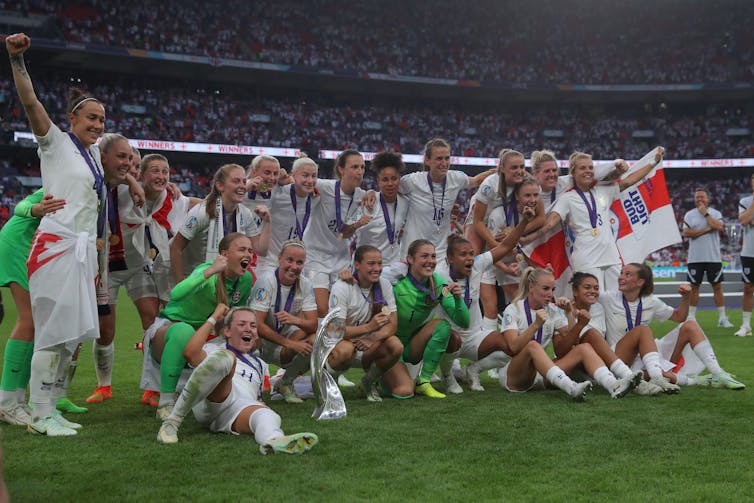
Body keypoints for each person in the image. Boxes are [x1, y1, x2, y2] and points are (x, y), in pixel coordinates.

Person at [6, 33, 142, 436]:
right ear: (73, 121)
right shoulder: (57, 144)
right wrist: (17, 62)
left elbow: (96, 197)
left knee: (68, 337)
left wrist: (131, 180)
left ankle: (47, 405)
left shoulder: (95, 161)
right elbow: (31, 103)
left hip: (81, 253)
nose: (98, 126)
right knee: (51, 333)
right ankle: (40, 412)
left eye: (101, 121)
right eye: (91, 119)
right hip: (56, 248)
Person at [88, 152, 192, 406]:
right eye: (154, 171)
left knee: (152, 322)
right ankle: (104, 386)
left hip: (139, 267)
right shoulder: (121, 191)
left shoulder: (172, 197)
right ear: (141, 174)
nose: (161, 176)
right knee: (105, 331)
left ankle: (153, 388)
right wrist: (131, 182)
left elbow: (198, 204)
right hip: (108, 266)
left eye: (165, 172)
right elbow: (108, 177)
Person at [156, 305, 318, 454]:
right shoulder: (213, 349)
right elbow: (190, 353)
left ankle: (274, 441)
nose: (249, 329)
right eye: (241, 324)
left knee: (267, 415)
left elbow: (256, 393)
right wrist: (214, 317)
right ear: (227, 331)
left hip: (236, 410)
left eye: (253, 326)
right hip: (214, 400)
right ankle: (172, 423)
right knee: (226, 358)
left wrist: (259, 401)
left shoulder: (259, 364)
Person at [144, 233, 255, 419]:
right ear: (225, 254)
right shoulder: (208, 271)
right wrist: (210, 271)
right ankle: (165, 404)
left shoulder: (245, 280)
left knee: (244, 334)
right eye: (242, 249)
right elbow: (176, 294)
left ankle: (238, 394)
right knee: (184, 331)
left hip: (204, 334)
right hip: (170, 330)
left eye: (250, 250)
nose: (248, 254)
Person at [530, 148, 664, 292]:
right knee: (592, 304)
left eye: (590, 167)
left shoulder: (604, 190)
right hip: (586, 260)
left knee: (617, 302)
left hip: (612, 257)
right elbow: (550, 223)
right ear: (573, 173)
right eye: (582, 168)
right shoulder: (567, 198)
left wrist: (652, 162)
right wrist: (527, 238)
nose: (588, 171)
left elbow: (629, 181)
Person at [497, 267, 640, 399]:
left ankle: (614, 385)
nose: (550, 294)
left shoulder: (553, 311)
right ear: (531, 287)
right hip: (515, 376)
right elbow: (513, 347)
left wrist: (569, 315)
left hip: (542, 373)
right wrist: (535, 325)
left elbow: (564, 349)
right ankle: (571, 387)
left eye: (553, 289)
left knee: (584, 348)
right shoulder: (513, 309)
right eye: (546, 289)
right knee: (532, 346)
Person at [599, 263, 744, 390]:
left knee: (690, 325)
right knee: (642, 331)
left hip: (647, 356)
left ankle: (718, 373)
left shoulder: (651, 301)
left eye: (627, 274)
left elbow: (679, 317)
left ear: (640, 282)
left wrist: (686, 297)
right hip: (619, 357)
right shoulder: (607, 298)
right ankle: (685, 380)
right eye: (621, 273)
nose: (620, 277)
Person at [439, 205, 536, 392]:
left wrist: (524, 221)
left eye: (471, 254)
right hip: (449, 339)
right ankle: (447, 376)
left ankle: (473, 369)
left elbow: (506, 246)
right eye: (463, 255)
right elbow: (432, 298)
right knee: (451, 336)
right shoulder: (439, 275)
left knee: (510, 345)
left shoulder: (477, 265)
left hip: (475, 337)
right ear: (450, 258)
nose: (469, 258)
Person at [0, 189, 71, 426]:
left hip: (35, 248)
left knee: (37, 323)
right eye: (124, 159)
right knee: (29, 320)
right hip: (19, 243)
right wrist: (35, 209)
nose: (130, 167)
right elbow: (21, 207)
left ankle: (17, 401)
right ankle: (6, 402)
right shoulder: (65, 179)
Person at [392, 240, 470, 399]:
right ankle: (377, 376)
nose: (430, 261)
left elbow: (464, 322)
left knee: (444, 327)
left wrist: (457, 299)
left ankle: (424, 381)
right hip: (389, 347)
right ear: (410, 259)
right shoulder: (395, 281)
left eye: (433, 256)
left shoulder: (438, 284)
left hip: (412, 346)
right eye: (424, 256)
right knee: (404, 393)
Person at [564, 272, 662, 396]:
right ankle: (633, 380)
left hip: (605, 360)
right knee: (591, 334)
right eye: (587, 287)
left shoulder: (599, 307)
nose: (593, 291)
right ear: (575, 290)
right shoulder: (563, 310)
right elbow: (567, 346)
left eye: (596, 288)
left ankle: (658, 377)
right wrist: (570, 313)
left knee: (643, 329)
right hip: (581, 362)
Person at [170, 163, 270, 283]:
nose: (243, 186)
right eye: (236, 181)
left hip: (214, 279)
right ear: (220, 186)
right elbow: (176, 248)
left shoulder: (245, 213)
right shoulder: (202, 212)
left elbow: (261, 250)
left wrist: (268, 222)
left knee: (246, 279)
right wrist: (181, 285)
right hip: (185, 274)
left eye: (244, 182)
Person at [249, 241, 322, 403]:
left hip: (285, 338)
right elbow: (257, 324)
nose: (294, 266)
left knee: (315, 340)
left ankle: (285, 383)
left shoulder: (306, 284)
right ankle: (248, 388)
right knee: (250, 337)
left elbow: (313, 324)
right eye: (289, 260)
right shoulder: (266, 281)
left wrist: (294, 320)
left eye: (299, 262)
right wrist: (289, 344)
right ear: (279, 259)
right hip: (261, 340)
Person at [400, 138, 494, 264]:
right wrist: (371, 193)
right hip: (414, 255)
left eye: (447, 158)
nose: (444, 163)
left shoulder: (456, 178)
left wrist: (500, 171)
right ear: (427, 160)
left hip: (441, 257)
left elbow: (476, 181)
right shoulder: (412, 181)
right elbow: (388, 188)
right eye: (439, 158)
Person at [303, 149, 372, 319]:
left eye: (362, 167)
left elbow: (344, 234)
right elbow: (300, 181)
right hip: (316, 257)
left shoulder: (362, 197)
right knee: (320, 309)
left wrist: (356, 224)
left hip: (340, 260)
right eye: (354, 167)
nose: (360, 171)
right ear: (341, 169)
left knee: (340, 311)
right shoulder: (323, 187)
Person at [328, 245, 403, 401]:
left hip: (367, 344)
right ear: (357, 265)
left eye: (380, 263)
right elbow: (335, 331)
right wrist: (369, 327)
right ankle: (329, 383)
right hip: (341, 344)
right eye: (371, 264)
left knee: (395, 346)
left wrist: (372, 337)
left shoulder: (385, 285)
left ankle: (368, 383)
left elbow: (393, 323)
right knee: (345, 350)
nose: (377, 268)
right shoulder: (342, 286)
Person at [255, 155, 320, 277]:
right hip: (269, 263)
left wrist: (368, 193)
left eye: (314, 176)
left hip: (296, 264)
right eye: (305, 175)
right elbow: (257, 188)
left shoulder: (316, 197)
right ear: (293, 175)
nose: (310, 180)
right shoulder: (278, 192)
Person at [682, 187, 732, 327]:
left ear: (708, 199)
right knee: (694, 287)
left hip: (713, 257)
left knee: (717, 287)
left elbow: (719, 226)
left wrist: (705, 214)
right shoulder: (689, 215)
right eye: (697, 197)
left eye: (702, 197)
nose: (699, 199)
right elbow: (687, 233)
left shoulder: (715, 213)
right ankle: (691, 318)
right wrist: (707, 229)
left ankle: (722, 318)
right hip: (695, 258)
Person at [354, 152, 408, 266]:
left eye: (394, 178)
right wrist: (356, 223)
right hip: (368, 267)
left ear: (400, 179)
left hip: (394, 267)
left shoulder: (405, 202)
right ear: (378, 181)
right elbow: (351, 225)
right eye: (385, 179)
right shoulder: (367, 203)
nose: (390, 183)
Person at [737, 174, 754, 336]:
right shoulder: (745, 202)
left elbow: (749, 220)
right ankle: (746, 325)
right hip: (749, 252)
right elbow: (743, 221)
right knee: (748, 288)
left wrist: (750, 219)